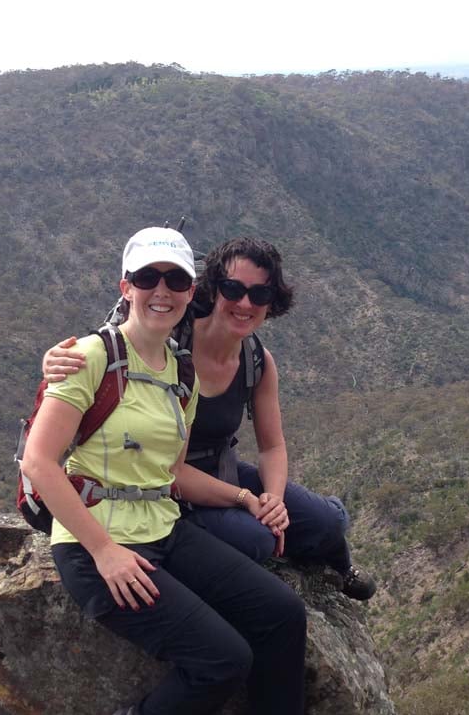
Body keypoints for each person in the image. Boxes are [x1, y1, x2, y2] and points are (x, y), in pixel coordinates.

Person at [20, 226, 329, 715]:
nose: (161, 290)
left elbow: (172, 472)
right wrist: (105, 552)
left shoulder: (179, 373)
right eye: (147, 278)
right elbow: (39, 464)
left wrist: (244, 498)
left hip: (162, 526)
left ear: (192, 292)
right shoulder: (91, 356)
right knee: (224, 657)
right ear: (127, 285)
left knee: (282, 612)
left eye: (176, 280)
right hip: (97, 545)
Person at [43, 236, 377, 601]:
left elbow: (273, 445)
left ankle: (339, 561)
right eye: (233, 288)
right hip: (163, 481)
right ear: (213, 289)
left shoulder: (256, 361)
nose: (246, 303)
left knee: (325, 522)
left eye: (260, 295)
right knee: (256, 540)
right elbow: (111, 347)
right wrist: (53, 360)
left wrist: (275, 501)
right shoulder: (171, 335)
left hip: (221, 469)